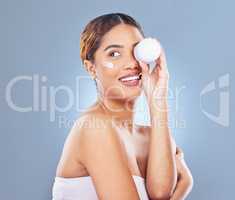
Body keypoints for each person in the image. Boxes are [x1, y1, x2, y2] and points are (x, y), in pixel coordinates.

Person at [52, 12, 193, 200]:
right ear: (91, 67)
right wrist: (184, 184)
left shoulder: (152, 136)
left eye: (136, 51)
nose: (131, 63)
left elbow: (160, 194)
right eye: (114, 53)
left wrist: (158, 103)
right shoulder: (94, 127)